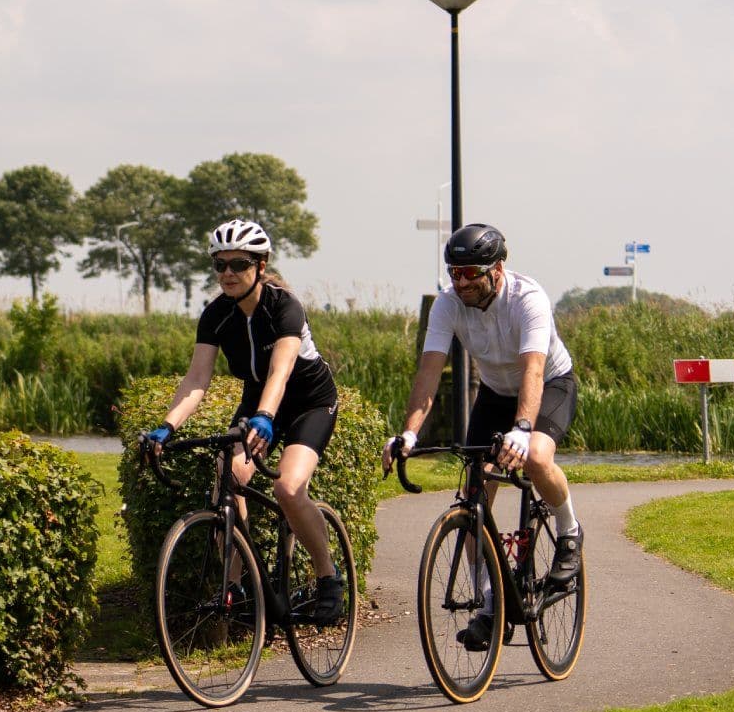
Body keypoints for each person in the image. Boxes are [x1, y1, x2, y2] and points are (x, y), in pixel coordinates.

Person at [381, 222, 581, 651]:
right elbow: (429, 373)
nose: (462, 281)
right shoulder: (448, 305)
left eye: (472, 272)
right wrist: (409, 435)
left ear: (498, 269)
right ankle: (493, 605)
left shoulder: (528, 299)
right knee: (474, 496)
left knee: (537, 458)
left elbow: (533, 370)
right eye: (455, 273)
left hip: (548, 384)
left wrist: (524, 430)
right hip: (494, 392)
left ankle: (569, 531)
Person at [140, 218, 344, 625]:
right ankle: (237, 588)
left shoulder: (284, 306)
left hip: (308, 402)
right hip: (258, 400)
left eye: (239, 264)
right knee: (228, 476)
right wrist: (167, 426)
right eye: (220, 265)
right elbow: (197, 380)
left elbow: (280, 371)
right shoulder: (216, 314)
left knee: (287, 487)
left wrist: (266, 418)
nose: (228, 273)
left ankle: (328, 577)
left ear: (261, 266)